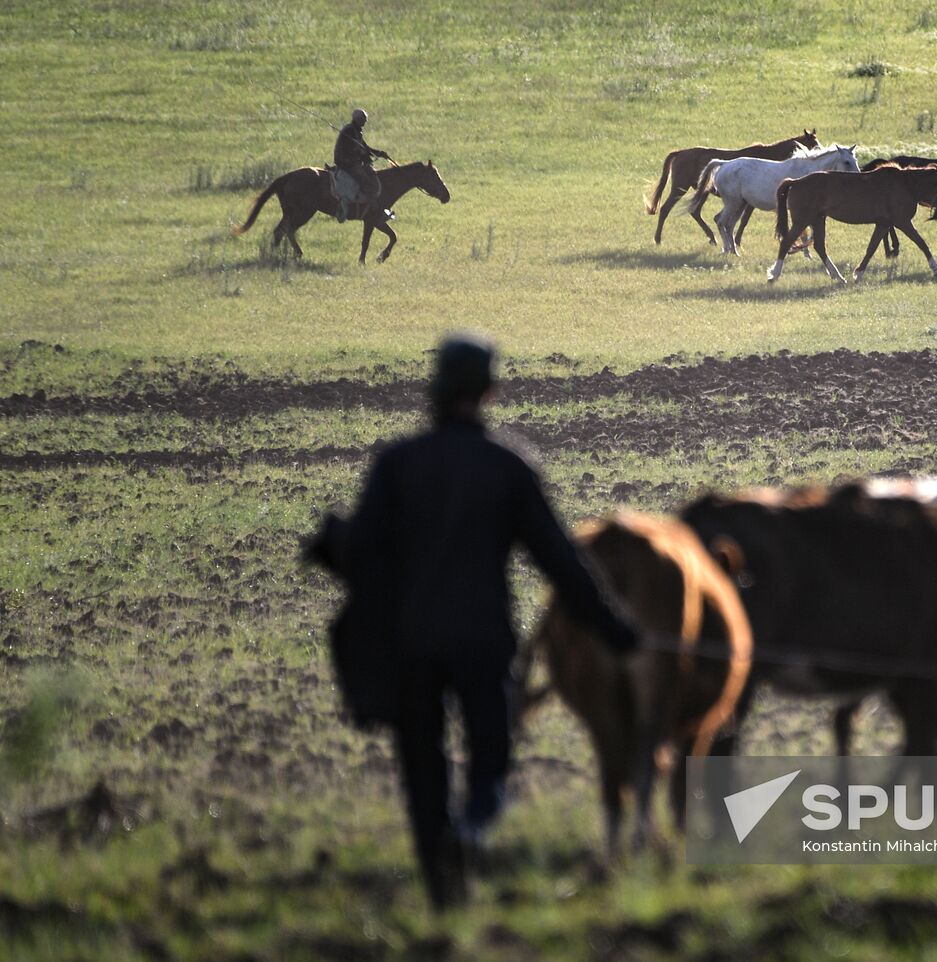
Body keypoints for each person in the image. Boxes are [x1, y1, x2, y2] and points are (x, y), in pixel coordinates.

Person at [338, 333, 641, 910]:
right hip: (482, 641)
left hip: (411, 642)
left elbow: (358, 554)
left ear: (434, 390)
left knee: (423, 770)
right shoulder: (507, 467)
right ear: (490, 393)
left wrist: (333, 544)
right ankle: (471, 830)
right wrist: (614, 628)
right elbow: (561, 562)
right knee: (490, 763)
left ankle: (440, 893)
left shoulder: (398, 464)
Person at [333, 107, 392, 223]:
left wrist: (379, 153)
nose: (365, 122)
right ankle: (373, 210)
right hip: (345, 162)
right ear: (357, 119)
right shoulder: (349, 131)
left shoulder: (356, 131)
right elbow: (355, 149)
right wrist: (364, 155)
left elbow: (365, 148)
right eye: (364, 120)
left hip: (351, 160)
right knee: (366, 181)